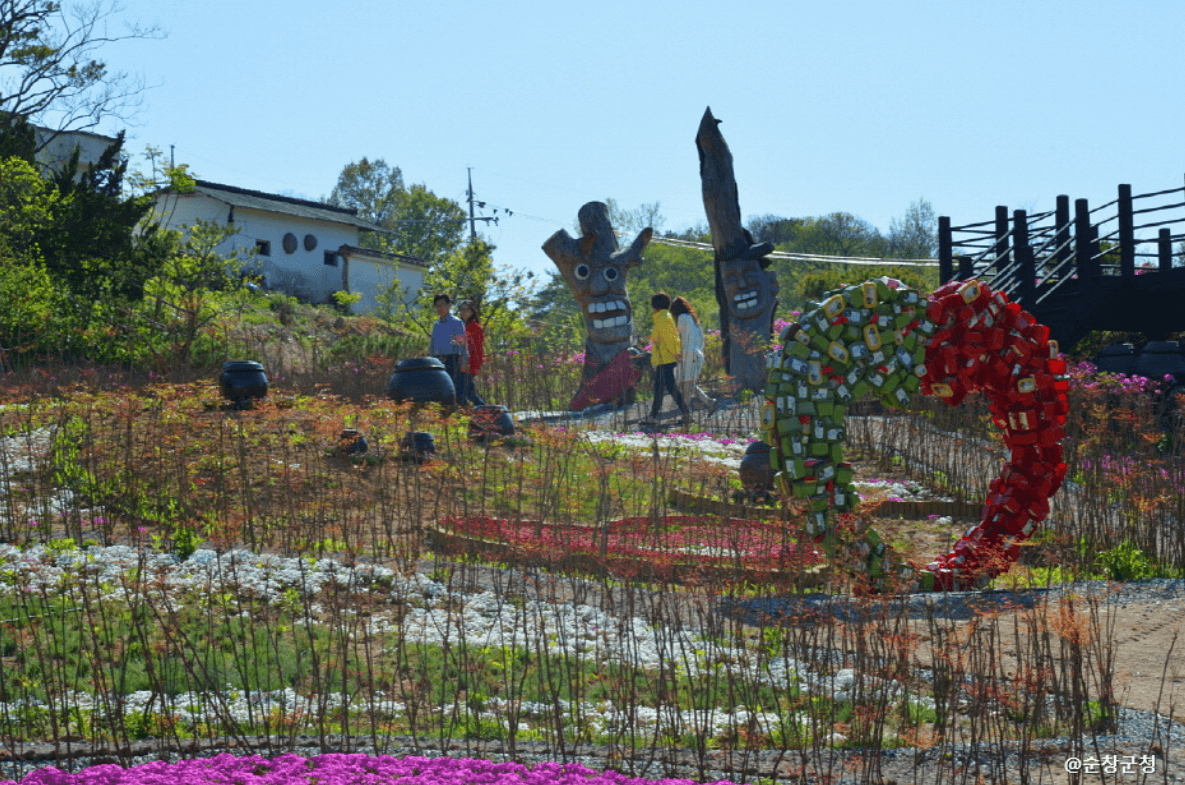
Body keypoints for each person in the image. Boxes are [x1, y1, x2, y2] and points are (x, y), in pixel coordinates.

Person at [644, 292, 691, 430]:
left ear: (655, 306)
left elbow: (670, 339)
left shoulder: (663, 319)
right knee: (663, 388)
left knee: (664, 388)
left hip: (666, 359)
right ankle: (654, 416)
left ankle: (654, 417)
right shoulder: (662, 318)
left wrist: (676, 353)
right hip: (663, 359)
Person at [670, 296, 716, 413]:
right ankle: (709, 402)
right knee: (687, 384)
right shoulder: (694, 320)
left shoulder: (681, 318)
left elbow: (678, 338)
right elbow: (702, 339)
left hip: (688, 355)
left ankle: (687, 413)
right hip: (697, 354)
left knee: (685, 385)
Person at [429, 293, 467, 404]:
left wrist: (464, 361)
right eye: (436, 305)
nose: (439, 308)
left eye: (442, 304)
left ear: (449, 305)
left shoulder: (456, 322)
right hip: (437, 360)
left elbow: (462, 343)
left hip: (452, 359)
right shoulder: (436, 325)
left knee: (454, 388)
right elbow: (432, 344)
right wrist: (431, 360)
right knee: (440, 389)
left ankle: (460, 412)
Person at [457, 300, 487, 407]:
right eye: (462, 309)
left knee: (465, 391)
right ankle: (480, 410)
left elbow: (477, 348)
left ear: (472, 311)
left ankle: (483, 410)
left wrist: (472, 364)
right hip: (459, 362)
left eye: (467, 309)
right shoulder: (459, 325)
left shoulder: (475, 327)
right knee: (466, 390)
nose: (464, 312)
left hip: (470, 363)